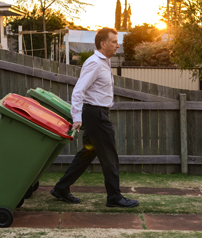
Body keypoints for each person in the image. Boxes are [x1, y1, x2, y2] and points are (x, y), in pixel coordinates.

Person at [50, 27, 139, 208]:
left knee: (88, 153)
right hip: (96, 115)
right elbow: (78, 91)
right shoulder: (95, 63)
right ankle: (114, 197)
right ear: (103, 43)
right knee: (110, 156)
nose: (117, 45)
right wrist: (76, 117)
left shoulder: (104, 62)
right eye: (114, 41)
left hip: (97, 113)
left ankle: (61, 188)